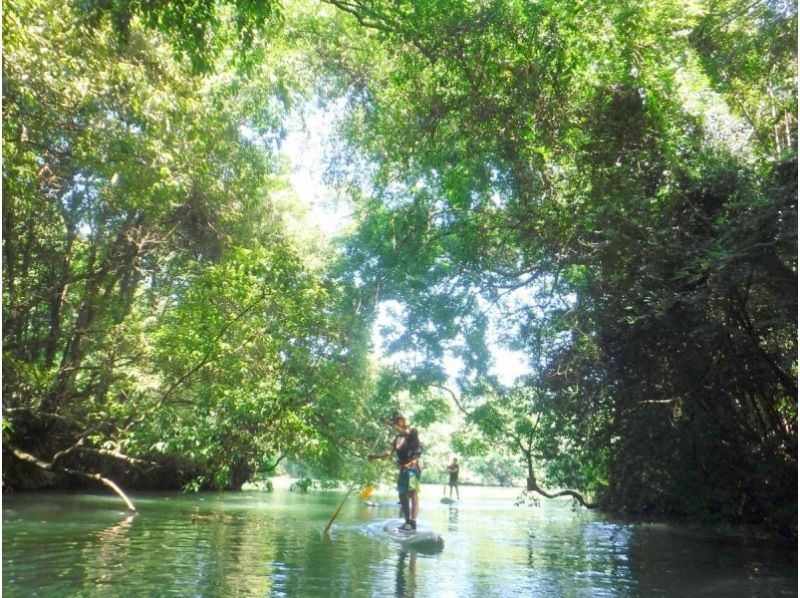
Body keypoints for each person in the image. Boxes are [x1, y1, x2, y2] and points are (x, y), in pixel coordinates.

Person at [369, 412, 422, 531]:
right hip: (403, 469)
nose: (398, 422)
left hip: (413, 468)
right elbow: (388, 452)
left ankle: (413, 522)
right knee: (402, 495)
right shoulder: (397, 438)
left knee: (413, 493)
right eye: (396, 420)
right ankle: (407, 521)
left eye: (399, 420)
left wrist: (391, 424)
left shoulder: (411, 432)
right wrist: (374, 456)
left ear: (403, 421)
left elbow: (405, 432)